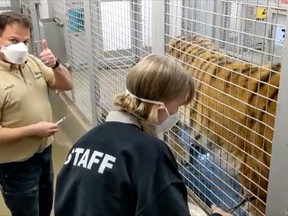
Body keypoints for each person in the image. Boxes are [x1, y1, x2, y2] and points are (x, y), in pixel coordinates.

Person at [54, 54, 231, 216]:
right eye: (177, 107)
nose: (177, 114)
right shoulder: (150, 152)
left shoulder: (88, 139)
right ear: (159, 109)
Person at [0, 12, 73, 216]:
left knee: (45, 205)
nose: (20, 47)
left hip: (44, 153)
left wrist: (56, 65)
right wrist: (33, 130)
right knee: (26, 211)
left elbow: (67, 85)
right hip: (15, 164)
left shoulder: (31, 62)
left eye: (25, 41)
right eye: (13, 40)